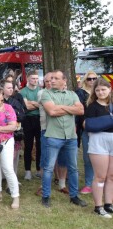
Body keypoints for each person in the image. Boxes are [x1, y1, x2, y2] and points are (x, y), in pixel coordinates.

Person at [40, 70, 86, 208]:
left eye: (55, 78)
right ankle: (46, 196)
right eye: (51, 78)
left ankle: (74, 196)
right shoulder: (46, 93)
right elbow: (52, 112)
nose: (52, 80)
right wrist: (70, 108)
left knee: (73, 168)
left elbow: (81, 111)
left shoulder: (72, 94)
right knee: (48, 168)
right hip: (53, 136)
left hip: (71, 137)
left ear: (64, 80)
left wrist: (60, 107)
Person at [84, 77, 113, 218]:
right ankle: (98, 206)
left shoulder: (112, 105)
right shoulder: (92, 106)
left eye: (103, 89)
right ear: (94, 92)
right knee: (100, 176)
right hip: (98, 140)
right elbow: (89, 126)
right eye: (98, 90)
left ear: (109, 89)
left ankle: (109, 204)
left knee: (111, 176)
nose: (101, 92)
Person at [76, 70, 98, 195]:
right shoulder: (80, 93)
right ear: (85, 80)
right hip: (87, 129)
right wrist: (83, 122)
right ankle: (89, 183)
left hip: (104, 130)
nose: (92, 81)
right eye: (89, 79)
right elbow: (80, 110)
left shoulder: (102, 92)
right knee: (87, 157)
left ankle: (102, 182)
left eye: (94, 78)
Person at [19, 70, 42, 180]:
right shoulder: (23, 92)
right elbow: (26, 107)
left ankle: (38, 169)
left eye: (37, 78)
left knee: (40, 145)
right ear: (28, 78)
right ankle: (27, 170)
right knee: (28, 146)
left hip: (39, 119)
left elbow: (43, 105)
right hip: (27, 120)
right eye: (33, 78)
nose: (35, 80)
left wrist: (32, 103)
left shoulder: (41, 91)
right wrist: (37, 104)